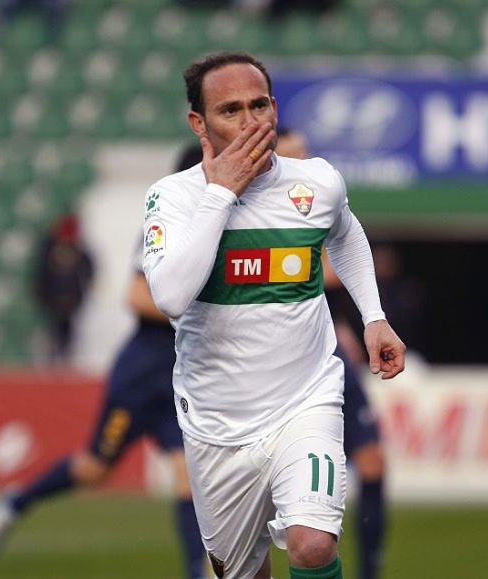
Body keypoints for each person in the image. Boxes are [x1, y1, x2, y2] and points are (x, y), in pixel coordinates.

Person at [142, 51, 405, 579]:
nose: (250, 122)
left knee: (312, 545)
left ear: (275, 108)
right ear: (199, 123)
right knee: (242, 572)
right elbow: (170, 296)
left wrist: (374, 315)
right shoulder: (171, 198)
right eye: (231, 110)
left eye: (259, 105)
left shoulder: (317, 181)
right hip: (217, 425)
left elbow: (346, 234)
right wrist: (221, 193)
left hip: (306, 399)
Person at [0, 148, 207, 579]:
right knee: (94, 468)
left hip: (185, 375)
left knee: (187, 476)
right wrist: (205, 310)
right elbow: (137, 297)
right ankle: (16, 502)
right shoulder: (167, 225)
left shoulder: (222, 228)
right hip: (144, 371)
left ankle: (198, 572)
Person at [278, 126, 388, 579]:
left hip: (332, 355)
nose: (306, 160)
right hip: (281, 360)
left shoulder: (320, 204)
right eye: (294, 154)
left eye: (307, 151)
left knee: (372, 460)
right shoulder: (268, 215)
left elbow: (345, 260)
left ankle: (368, 570)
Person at [33, 212, 94, 363]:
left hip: (71, 299)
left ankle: (65, 357)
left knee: (68, 331)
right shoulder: (49, 247)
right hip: (53, 299)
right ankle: (53, 357)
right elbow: (41, 272)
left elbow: (90, 268)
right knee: (54, 330)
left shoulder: (79, 249)